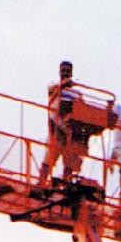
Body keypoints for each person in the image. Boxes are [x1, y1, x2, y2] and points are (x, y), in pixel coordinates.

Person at [38, 59, 83, 187]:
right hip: (56, 127)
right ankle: (41, 182)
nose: (65, 73)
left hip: (70, 130)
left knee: (69, 161)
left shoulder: (76, 93)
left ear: (72, 73)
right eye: (63, 71)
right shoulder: (54, 86)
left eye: (68, 71)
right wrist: (64, 84)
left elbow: (82, 108)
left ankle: (66, 185)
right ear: (59, 72)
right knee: (50, 157)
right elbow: (53, 90)